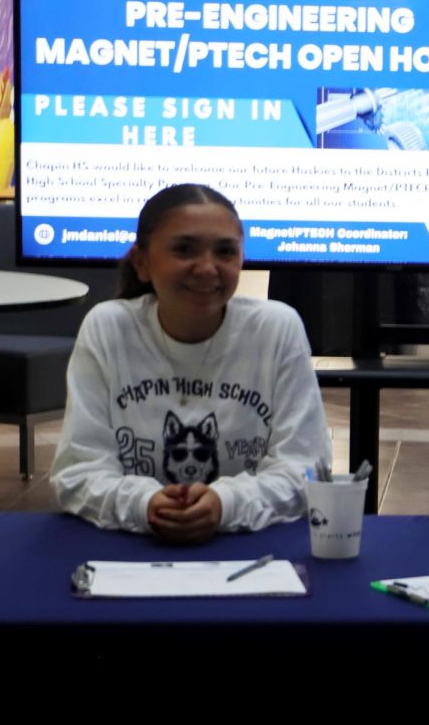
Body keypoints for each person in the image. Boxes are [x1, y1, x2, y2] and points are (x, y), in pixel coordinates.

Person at [51, 184, 331, 542]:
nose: (207, 268)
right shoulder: (108, 328)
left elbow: (306, 469)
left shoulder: (277, 328)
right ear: (142, 263)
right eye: (184, 250)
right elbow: (78, 471)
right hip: (133, 546)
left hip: (250, 547)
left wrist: (225, 503)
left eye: (226, 252)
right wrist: (145, 503)